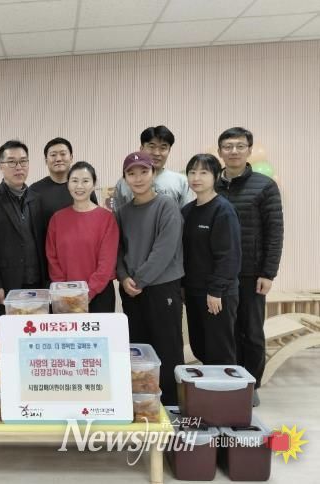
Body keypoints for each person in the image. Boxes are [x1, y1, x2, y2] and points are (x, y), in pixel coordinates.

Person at [215, 127, 284, 406]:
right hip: (219, 274)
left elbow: (275, 231)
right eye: (228, 146)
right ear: (220, 152)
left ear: (249, 150)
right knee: (225, 331)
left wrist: (268, 272)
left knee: (252, 331)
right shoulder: (211, 184)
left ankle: (250, 384)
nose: (234, 151)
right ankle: (228, 381)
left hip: (251, 272)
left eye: (240, 146)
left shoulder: (264, 186)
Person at [116, 152, 184, 406]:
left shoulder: (167, 206)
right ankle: (143, 403)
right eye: (131, 173)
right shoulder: (122, 212)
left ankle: (171, 405)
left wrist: (139, 280)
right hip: (131, 289)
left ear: (153, 173)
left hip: (161, 287)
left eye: (143, 172)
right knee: (138, 348)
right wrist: (123, 277)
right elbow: (117, 249)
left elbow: (164, 250)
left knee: (167, 347)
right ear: (125, 179)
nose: (138, 178)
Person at [0, 140, 48, 316]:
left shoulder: (36, 199)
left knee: (36, 329)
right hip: (6, 285)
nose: (19, 167)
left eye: (23, 161)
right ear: (1, 166)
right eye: (12, 162)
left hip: (36, 282)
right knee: (9, 331)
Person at [182, 154, 241, 365]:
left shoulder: (223, 210)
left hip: (217, 294)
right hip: (193, 291)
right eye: (192, 172)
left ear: (216, 176)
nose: (196, 177)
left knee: (220, 351)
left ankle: (226, 386)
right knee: (200, 346)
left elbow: (229, 255)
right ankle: (208, 386)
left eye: (203, 172)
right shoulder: (187, 211)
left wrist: (216, 291)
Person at [45, 161, 118, 312]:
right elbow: (52, 258)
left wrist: (87, 293)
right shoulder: (57, 219)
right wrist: (65, 291)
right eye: (74, 181)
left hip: (99, 294)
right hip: (65, 295)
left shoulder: (107, 219)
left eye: (85, 181)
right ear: (68, 184)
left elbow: (107, 263)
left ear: (94, 184)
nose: (79, 186)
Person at [113, 125, 192, 212]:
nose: (156, 153)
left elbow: (187, 215)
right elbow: (117, 216)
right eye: (151, 147)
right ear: (141, 148)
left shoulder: (181, 181)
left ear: (169, 151)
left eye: (163, 148)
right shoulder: (123, 183)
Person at [30, 137, 98, 225]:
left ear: (71, 157)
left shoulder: (83, 187)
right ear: (46, 160)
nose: (58, 159)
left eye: (63, 154)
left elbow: (95, 216)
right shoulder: (34, 190)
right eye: (53, 155)